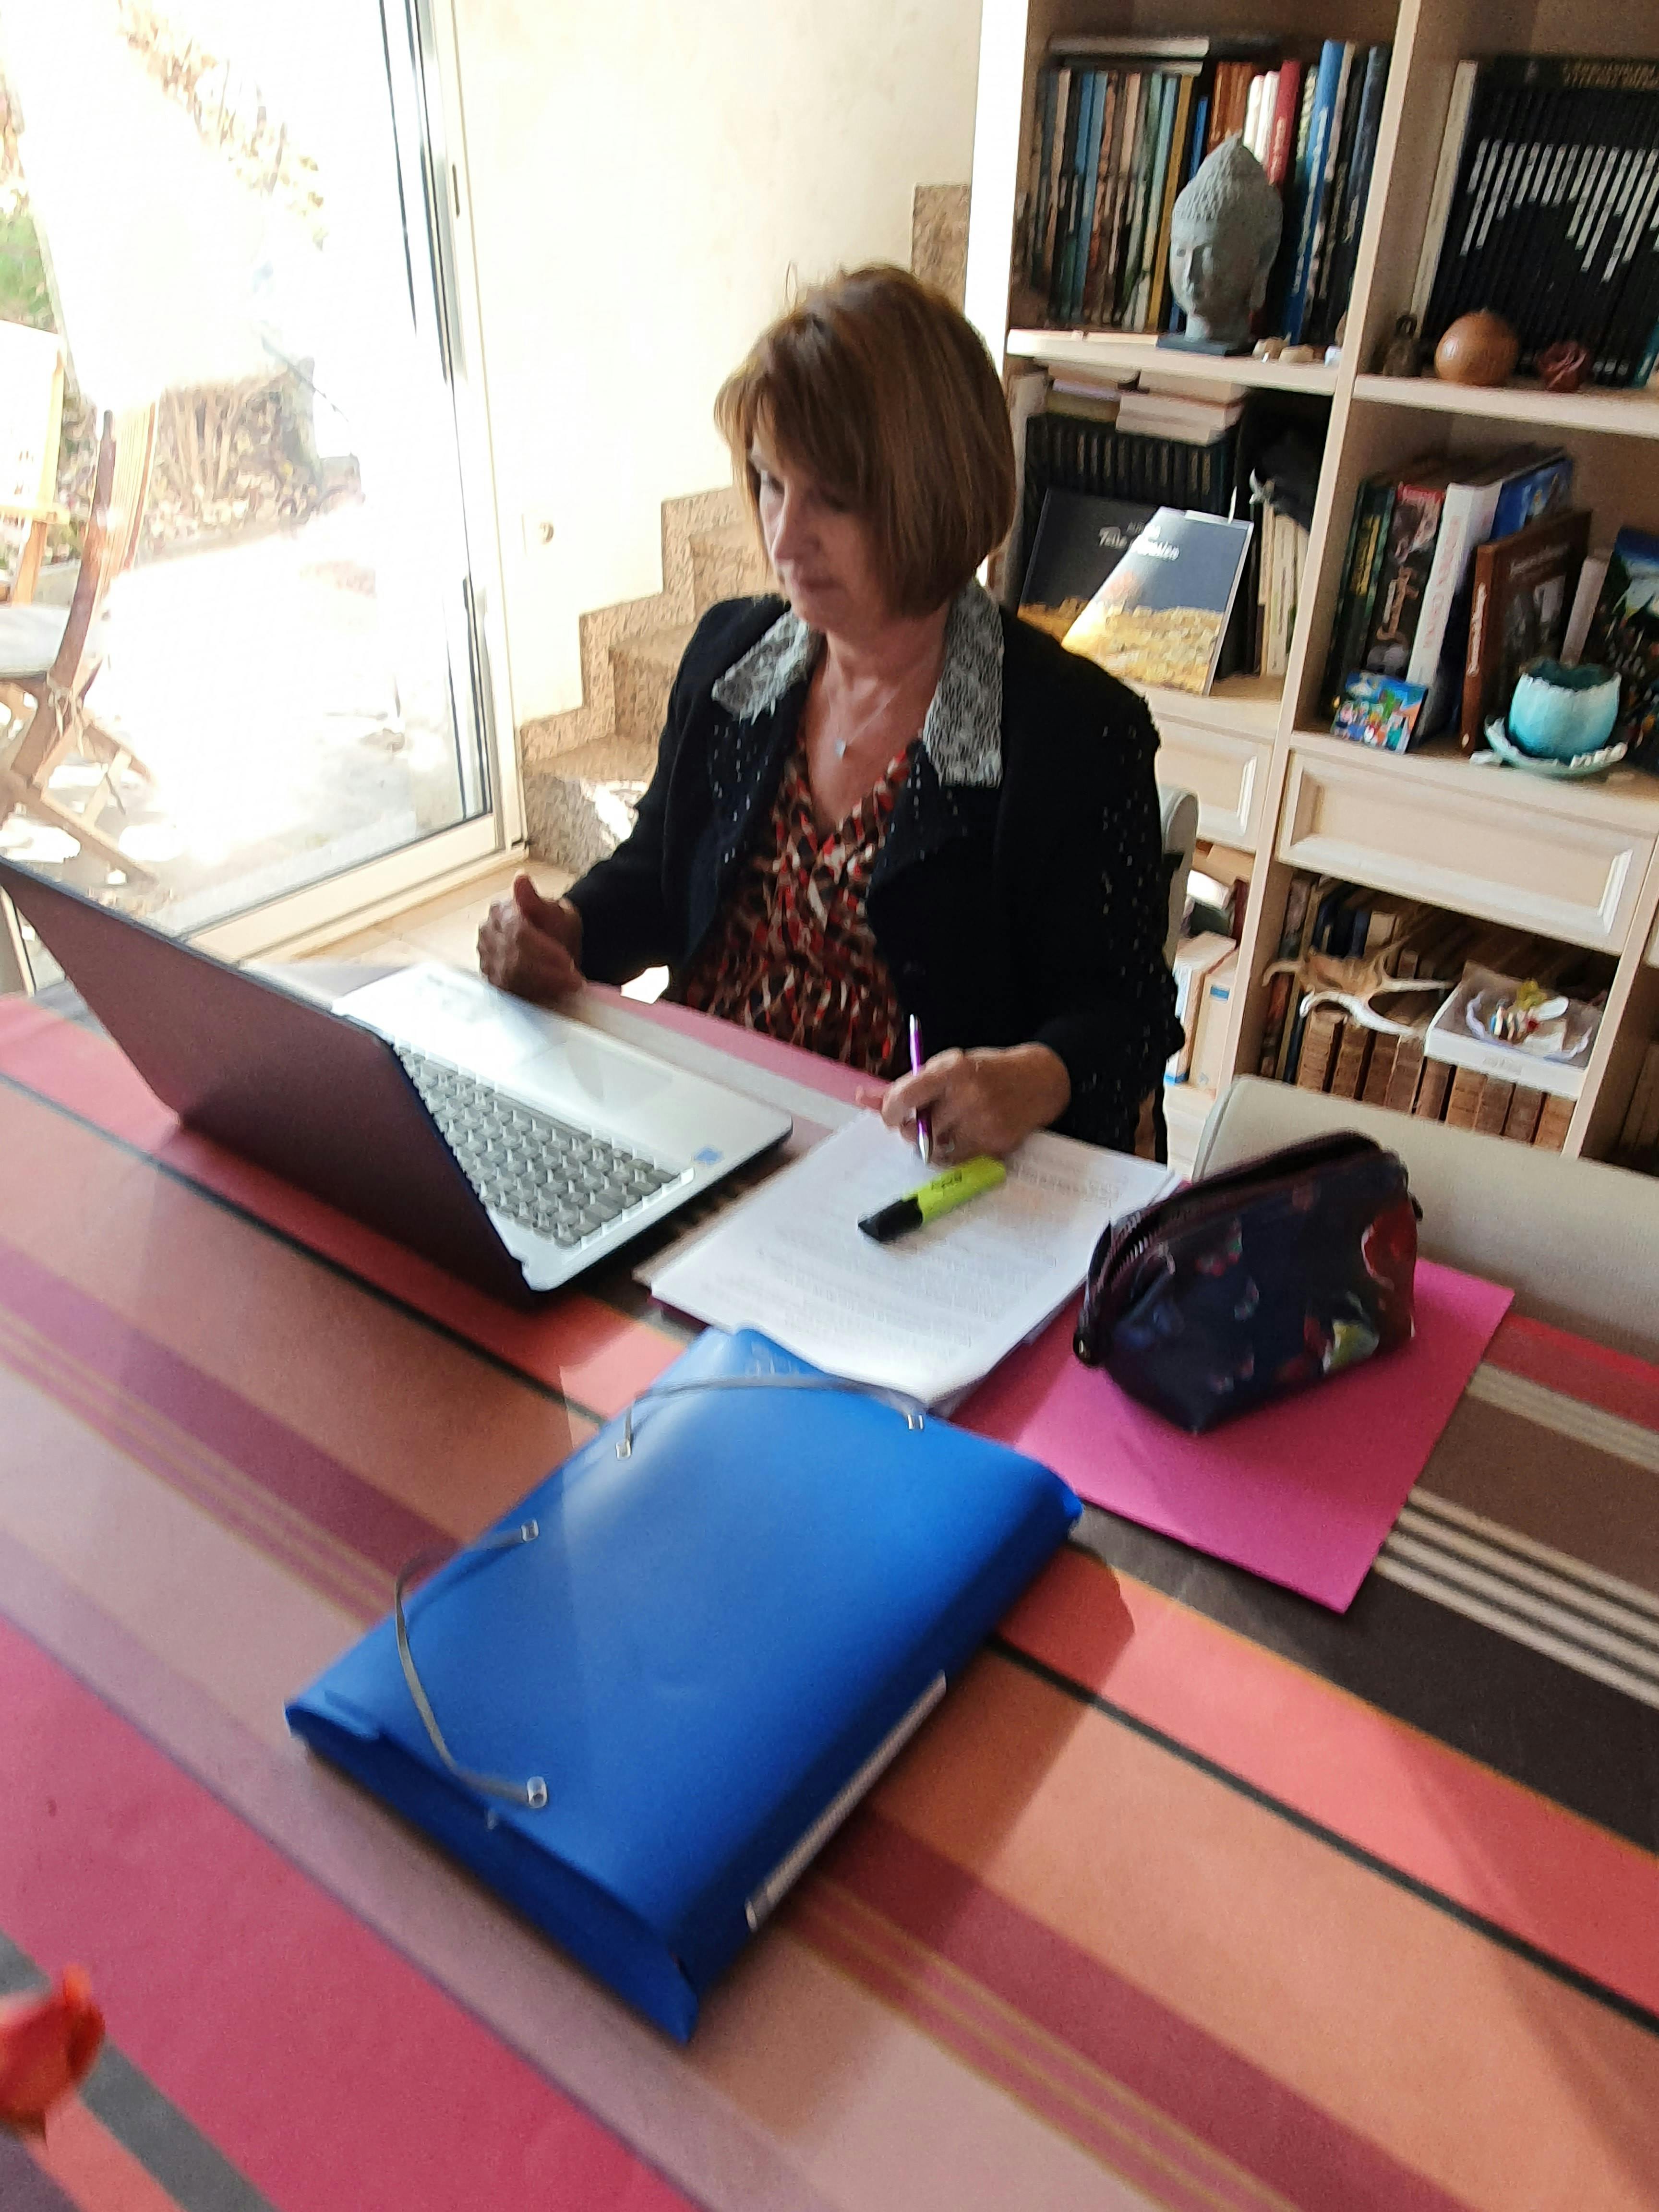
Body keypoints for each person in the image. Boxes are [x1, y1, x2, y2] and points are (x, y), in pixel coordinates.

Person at [480, 264, 1181, 1156]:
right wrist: (567, 929)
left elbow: (1126, 1018)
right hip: (698, 1126)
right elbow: (659, 869)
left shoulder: (1072, 734)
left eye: (832, 500)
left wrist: (1029, 1079)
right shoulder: (730, 658)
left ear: (932, 497)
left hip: (898, 1169)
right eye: (770, 482)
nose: (783, 536)